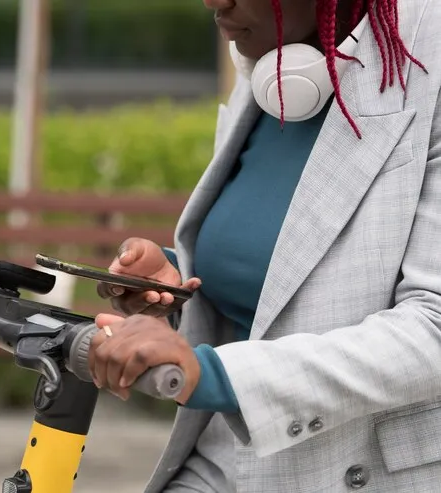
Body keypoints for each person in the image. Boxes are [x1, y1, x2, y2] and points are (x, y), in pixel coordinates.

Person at [91, 0, 441, 492]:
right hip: (217, 461)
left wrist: (218, 375)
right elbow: (276, 284)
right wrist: (175, 288)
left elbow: (433, 328)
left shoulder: (432, 59)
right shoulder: (274, 63)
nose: (214, 2)